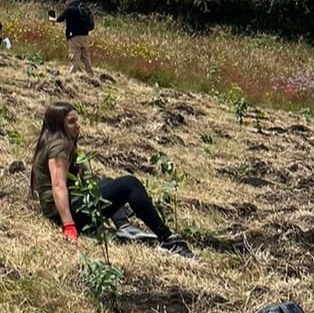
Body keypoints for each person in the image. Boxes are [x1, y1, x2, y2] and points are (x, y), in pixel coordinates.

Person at [29, 102, 194, 258]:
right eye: (71, 122)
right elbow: (58, 187)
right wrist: (69, 226)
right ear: (59, 125)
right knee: (130, 184)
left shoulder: (51, 142)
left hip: (64, 208)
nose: (77, 125)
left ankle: (123, 226)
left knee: (106, 182)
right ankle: (168, 239)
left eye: (77, 120)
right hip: (64, 213)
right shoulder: (60, 146)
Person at [49, 0, 93, 75]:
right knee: (85, 56)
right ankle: (90, 74)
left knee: (74, 56)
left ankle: (72, 75)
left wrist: (53, 20)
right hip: (85, 35)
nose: (65, 4)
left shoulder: (70, 9)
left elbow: (60, 19)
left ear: (68, 0)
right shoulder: (82, 6)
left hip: (74, 36)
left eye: (65, 2)